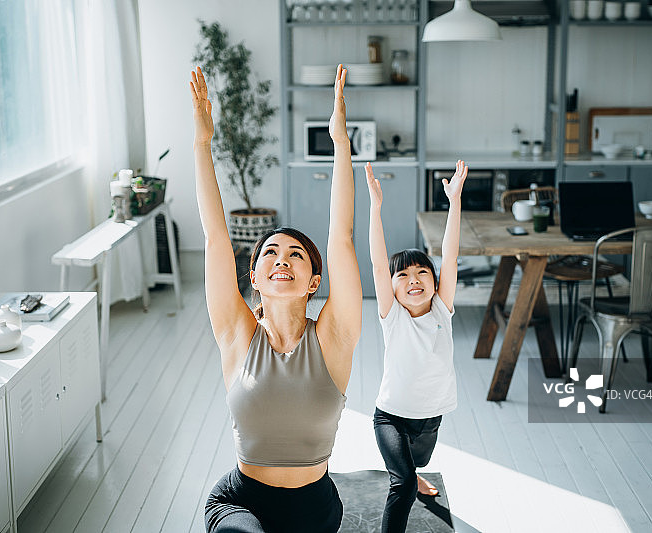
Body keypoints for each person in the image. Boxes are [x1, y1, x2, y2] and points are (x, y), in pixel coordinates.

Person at [191, 64, 362, 532]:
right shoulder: (237, 334)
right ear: (255, 277)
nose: (281, 259)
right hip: (241, 503)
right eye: (270, 252)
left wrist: (340, 143)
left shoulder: (334, 338)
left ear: (313, 281)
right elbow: (215, 239)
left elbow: (342, 237)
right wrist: (202, 144)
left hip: (315, 507)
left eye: (295, 254)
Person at [365, 159, 467, 533]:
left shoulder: (442, 308)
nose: (414, 279)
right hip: (390, 415)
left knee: (417, 464)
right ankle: (406, 479)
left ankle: (411, 473)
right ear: (392, 287)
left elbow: (450, 256)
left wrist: (454, 202)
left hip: (431, 416)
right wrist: (375, 208)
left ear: (435, 282)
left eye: (422, 272)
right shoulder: (393, 316)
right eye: (403, 275)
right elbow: (379, 265)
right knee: (404, 483)